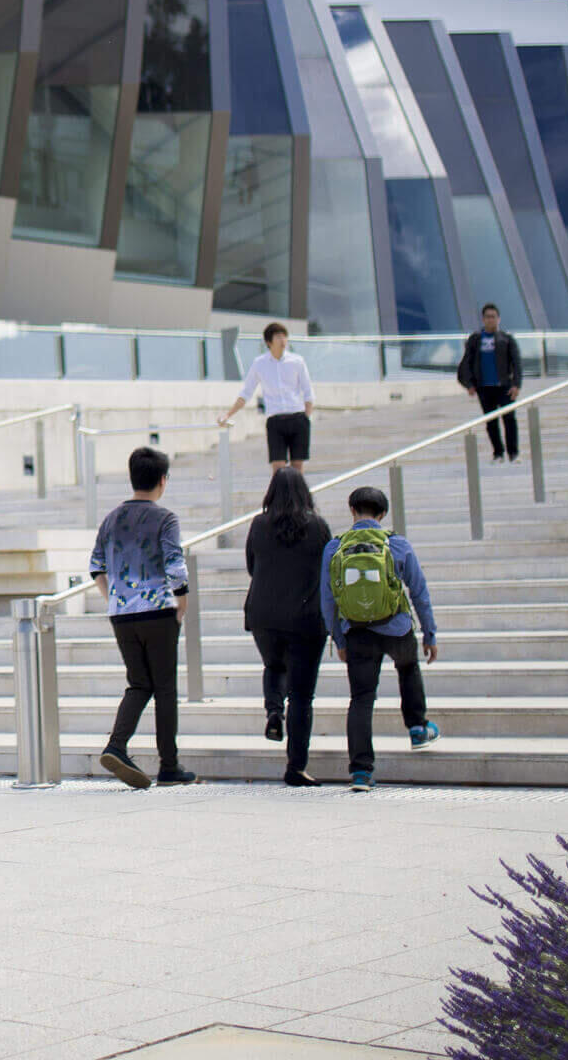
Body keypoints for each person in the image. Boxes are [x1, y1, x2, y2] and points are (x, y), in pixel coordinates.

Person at [320, 485, 440, 793]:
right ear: (383, 514)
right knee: (408, 668)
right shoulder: (397, 544)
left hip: (357, 632)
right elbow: (419, 592)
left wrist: (339, 640)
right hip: (396, 626)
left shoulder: (335, 547)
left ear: (352, 511)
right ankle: (417, 728)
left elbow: (328, 600)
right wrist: (429, 633)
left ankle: (361, 772)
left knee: (361, 699)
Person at [90, 446, 196, 790]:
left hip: (122, 614)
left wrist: (115, 598)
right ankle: (169, 765)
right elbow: (174, 562)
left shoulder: (111, 518)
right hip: (158, 611)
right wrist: (182, 598)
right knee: (165, 687)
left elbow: (96, 566)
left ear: (132, 477)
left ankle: (116, 745)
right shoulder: (165, 518)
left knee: (139, 683)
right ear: (162, 481)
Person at [244, 468, 332, 787]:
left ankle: (273, 711)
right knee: (302, 696)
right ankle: (295, 766)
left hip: (263, 614)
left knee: (273, 664)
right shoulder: (318, 526)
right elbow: (327, 568)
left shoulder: (258, 524)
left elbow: (252, 566)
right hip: (306, 617)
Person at [218, 321, 314, 470]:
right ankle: (279, 495)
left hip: (297, 417)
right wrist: (228, 415)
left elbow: (308, 391)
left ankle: (296, 495)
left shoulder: (297, 361)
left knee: (297, 467)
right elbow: (246, 393)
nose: (283, 340)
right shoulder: (259, 363)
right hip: (275, 420)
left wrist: (306, 418)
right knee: (278, 468)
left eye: (284, 336)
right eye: (278, 337)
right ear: (269, 342)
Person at [457, 302, 523, 463]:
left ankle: (513, 453)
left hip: (504, 386)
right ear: (483, 319)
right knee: (491, 422)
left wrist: (516, 384)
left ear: (498, 319)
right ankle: (498, 453)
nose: (490, 320)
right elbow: (466, 362)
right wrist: (468, 384)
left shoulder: (506, 339)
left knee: (509, 419)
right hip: (484, 388)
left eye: (493, 317)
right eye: (487, 317)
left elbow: (517, 363)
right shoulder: (475, 340)